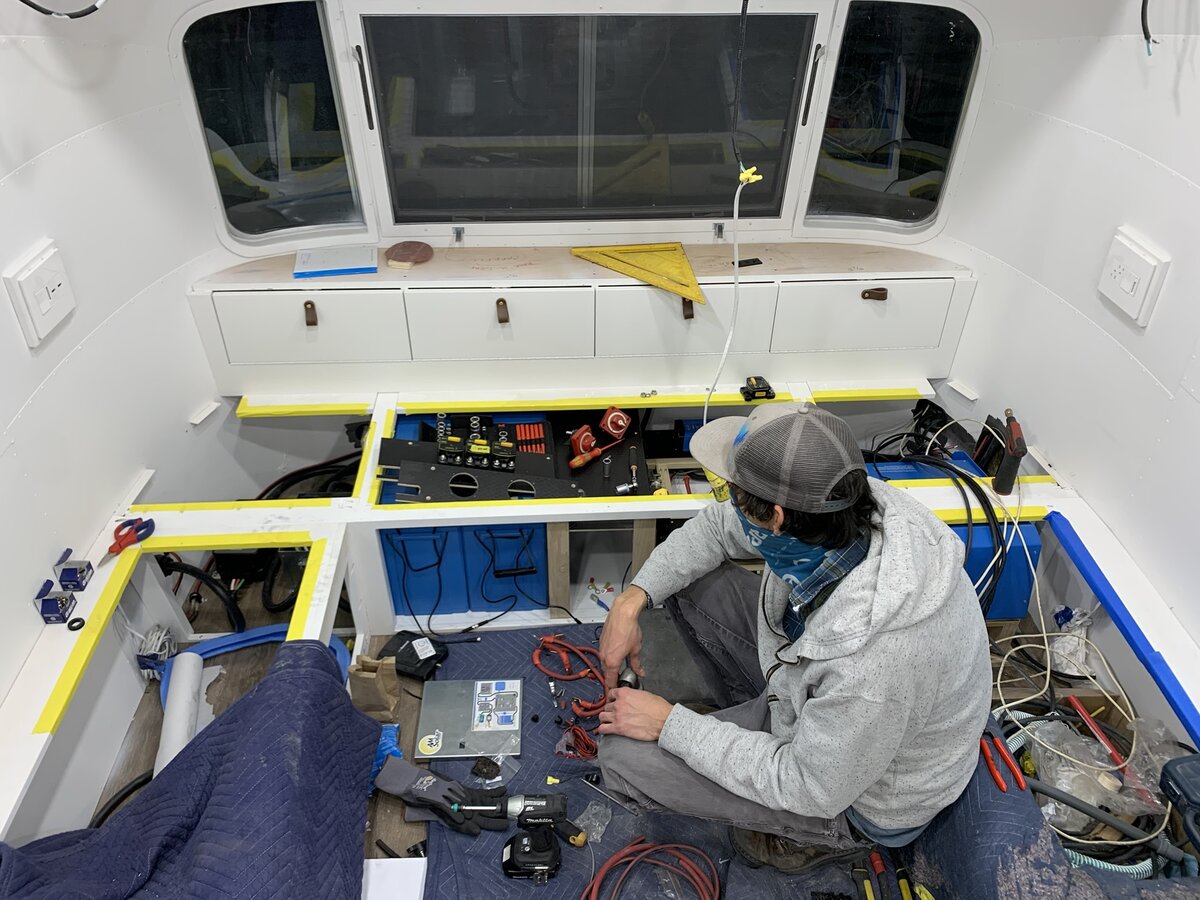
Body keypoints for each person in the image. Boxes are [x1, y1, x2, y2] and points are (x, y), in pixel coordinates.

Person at [595, 403, 992, 873]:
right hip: (821, 707)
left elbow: (810, 785)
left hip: (854, 798)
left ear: (776, 518)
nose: (730, 505)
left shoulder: (873, 665)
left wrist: (671, 727)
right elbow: (718, 527)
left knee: (621, 756)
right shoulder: (847, 508)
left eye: (736, 495)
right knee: (685, 582)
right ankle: (751, 721)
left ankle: (813, 840)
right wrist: (631, 600)